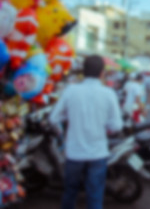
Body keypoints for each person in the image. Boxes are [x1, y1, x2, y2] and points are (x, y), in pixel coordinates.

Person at [49, 55, 123, 209]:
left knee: (70, 193)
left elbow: (53, 118)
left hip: (74, 152)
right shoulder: (108, 94)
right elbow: (116, 126)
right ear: (102, 73)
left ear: (83, 71)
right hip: (97, 153)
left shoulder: (71, 91)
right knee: (95, 196)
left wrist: (62, 133)